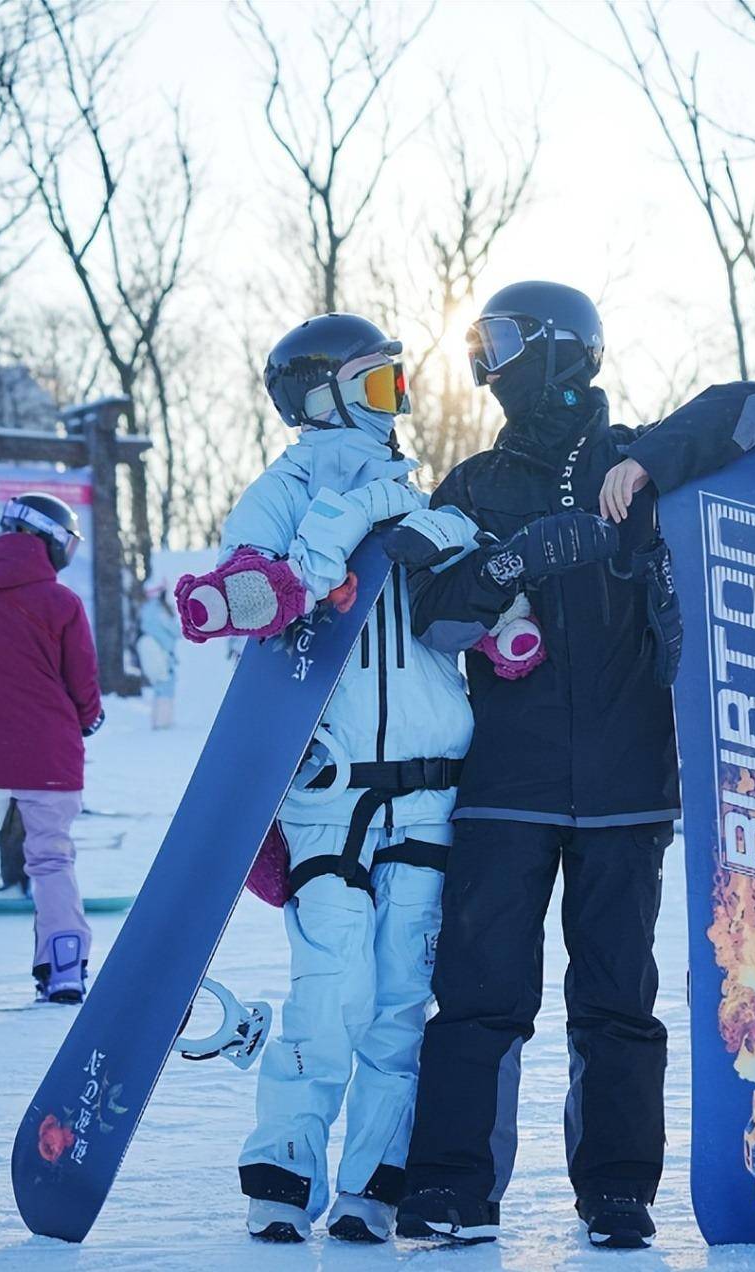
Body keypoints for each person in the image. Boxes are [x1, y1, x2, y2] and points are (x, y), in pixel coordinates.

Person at [384, 281, 755, 1249]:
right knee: (481, 994)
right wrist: (513, 563)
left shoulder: (641, 464)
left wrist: (649, 464)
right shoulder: (473, 486)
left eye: (505, 338)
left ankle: (616, 1192)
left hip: (626, 788)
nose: (486, 359)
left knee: (615, 1002)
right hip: (504, 792)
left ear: (565, 349)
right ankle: (451, 1189)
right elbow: (435, 619)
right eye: (478, 341)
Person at [174, 313, 473, 1245]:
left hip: (428, 786)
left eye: (398, 385)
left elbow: (459, 608)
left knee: (397, 998)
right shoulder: (286, 487)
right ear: (320, 396)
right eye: (377, 385)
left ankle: (374, 1184)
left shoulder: (417, 495)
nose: (397, 404)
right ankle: (283, 1173)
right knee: (332, 984)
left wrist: (489, 600)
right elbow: (252, 579)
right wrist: (272, 580)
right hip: (332, 789)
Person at [0, 492, 104, 1002]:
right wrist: (88, 718)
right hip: (47, 757)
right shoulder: (61, 603)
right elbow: (84, 684)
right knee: (52, 861)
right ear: (51, 540)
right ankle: (65, 968)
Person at [137, 578, 180, 728]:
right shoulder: (158, 610)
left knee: (159, 687)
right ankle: (164, 721)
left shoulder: (145, 608)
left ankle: (158, 720)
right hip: (163, 653)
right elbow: (175, 630)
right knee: (166, 685)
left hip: (155, 651)